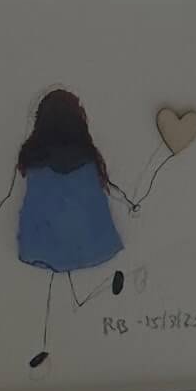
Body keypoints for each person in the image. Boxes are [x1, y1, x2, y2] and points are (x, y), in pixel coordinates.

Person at [10, 88, 130, 368]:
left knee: (53, 286)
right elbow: (96, 201)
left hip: (43, 242)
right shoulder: (88, 157)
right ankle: (95, 293)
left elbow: (31, 203)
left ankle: (46, 343)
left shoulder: (32, 156)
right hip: (84, 241)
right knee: (73, 283)